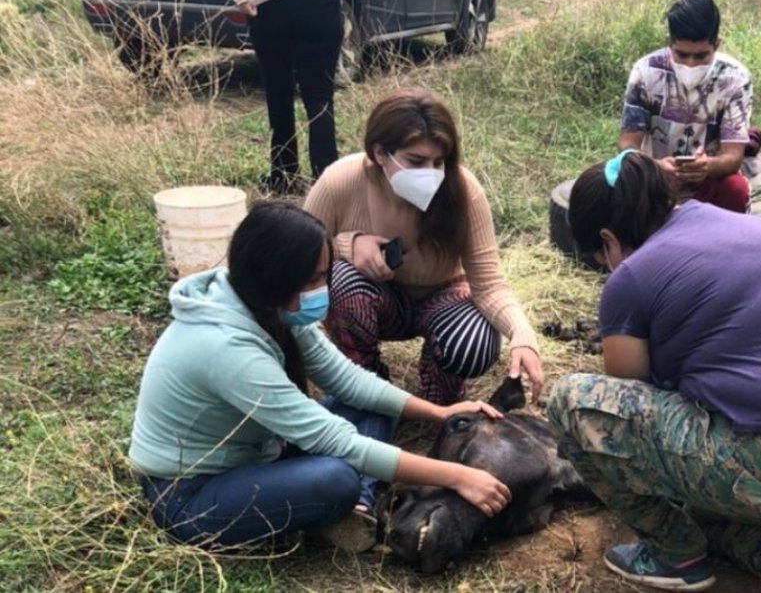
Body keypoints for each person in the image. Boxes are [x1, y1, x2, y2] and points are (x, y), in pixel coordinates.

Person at [546, 150, 761, 592]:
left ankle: (674, 556)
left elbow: (624, 399)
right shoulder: (739, 225)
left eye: (600, 256)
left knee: (571, 403)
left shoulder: (629, 278)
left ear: (609, 239)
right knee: (708, 503)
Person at [128, 201, 512, 552]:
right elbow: (334, 440)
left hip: (260, 450)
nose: (321, 290)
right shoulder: (226, 349)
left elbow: (346, 379)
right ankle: (341, 501)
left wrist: (437, 413)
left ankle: (354, 508)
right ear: (276, 278)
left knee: (373, 402)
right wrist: (458, 476)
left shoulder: (270, 305)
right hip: (191, 493)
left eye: (322, 276)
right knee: (334, 479)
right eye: (311, 279)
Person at [303, 88, 544, 407]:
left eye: (438, 162)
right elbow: (300, 254)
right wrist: (347, 245)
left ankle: (439, 393)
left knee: (473, 343)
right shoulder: (339, 182)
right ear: (379, 153)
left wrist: (522, 335)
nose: (429, 173)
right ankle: (366, 384)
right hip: (377, 298)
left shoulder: (464, 192)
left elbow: (489, 285)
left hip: (442, 298)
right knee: (342, 279)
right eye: (415, 161)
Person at [618, 0, 761, 226]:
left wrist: (707, 166)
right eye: (681, 55)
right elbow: (628, 144)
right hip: (656, 179)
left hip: (707, 180)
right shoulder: (645, 72)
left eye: (701, 56)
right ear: (669, 43)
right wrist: (656, 168)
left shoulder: (734, 78)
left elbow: (733, 157)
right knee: (617, 182)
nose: (690, 64)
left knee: (736, 189)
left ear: (717, 45)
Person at [222, 0, 371, 194]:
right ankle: (326, 180)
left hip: (269, 3)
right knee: (319, 96)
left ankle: (283, 175)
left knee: (277, 92)